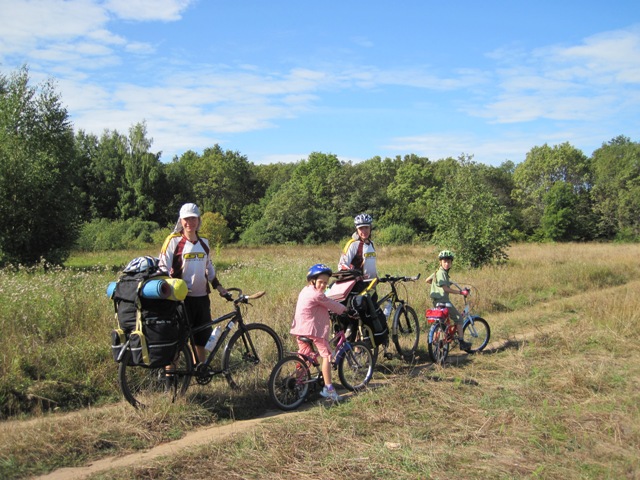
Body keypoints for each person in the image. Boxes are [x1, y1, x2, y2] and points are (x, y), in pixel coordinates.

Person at [159, 203, 229, 364]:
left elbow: (209, 268)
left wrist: (219, 287)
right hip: (181, 300)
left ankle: (200, 372)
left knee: (201, 340)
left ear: (198, 220)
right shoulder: (173, 242)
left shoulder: (204, 242)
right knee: (178, 342)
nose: (189, 222)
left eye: (193, 218)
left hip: (202, 299)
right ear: (180, 221)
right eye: (186, 219)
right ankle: (171, 381)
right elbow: (162, 268)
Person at [290, 264, 349, 402]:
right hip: (313, 331)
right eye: (320, 282)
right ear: (313, 281)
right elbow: (331, 304)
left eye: (325, 283)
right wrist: (346, 310)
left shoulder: (305, 290)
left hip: (299, 329)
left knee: (304, 356)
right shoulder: (317, 294)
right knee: (327, 356)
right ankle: (329, 389)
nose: (323, 285)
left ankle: (300, 386)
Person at [425, 250, 472, 350]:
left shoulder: (437, 272)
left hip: (436, 301)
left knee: (443, 321)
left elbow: (427, 280)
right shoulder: (442, 273)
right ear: (440, 262)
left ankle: (437, 340)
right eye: (445, 261)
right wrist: (460, 292)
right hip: (444, 301)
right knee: (459, 318)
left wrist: (438, 283)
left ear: (451, 263)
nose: (447, 264)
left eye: (449, 262)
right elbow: (445, 289)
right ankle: (461, 342)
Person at [338, 213, 377, 280]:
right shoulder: (353, 244)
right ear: (357, 230)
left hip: (371, 284)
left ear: (370, 228)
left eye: (366, 227)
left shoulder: (371, 244)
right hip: (358, 285)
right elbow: (342, 265)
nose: (364, 231)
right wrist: (355, 276)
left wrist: (376, 276)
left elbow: (370, 266)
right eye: (361, 228)